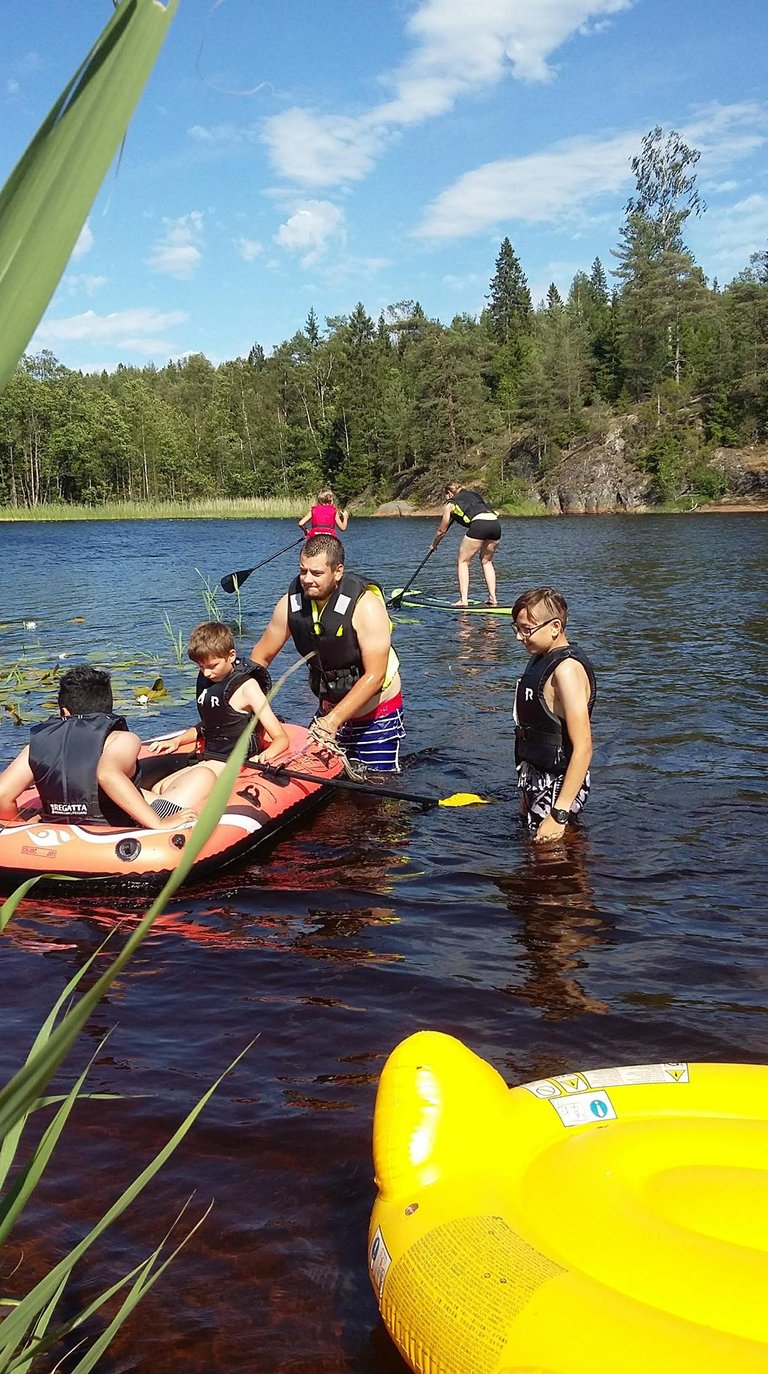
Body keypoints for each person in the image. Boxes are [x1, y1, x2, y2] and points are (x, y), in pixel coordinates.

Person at [250, 534, 405, 773]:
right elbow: (260, 659)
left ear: (338, 571)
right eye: (303, 571)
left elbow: (375, 675)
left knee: (376, 784)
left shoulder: (366, 606)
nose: (307, 579)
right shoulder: (290, 604)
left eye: (317, 573)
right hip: (329, 710)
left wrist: (331, 722)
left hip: (376, 716)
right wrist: (241, 702)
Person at [0, 664, 204, 829]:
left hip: (56, 828)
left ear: (64, 712)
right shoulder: (121, 739)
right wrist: (158, 823)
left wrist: (22, 826)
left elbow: (2, 795)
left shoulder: (35, 746)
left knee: (145, 793)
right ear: (108, 707)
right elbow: (107, 774)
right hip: (116, 832)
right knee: (203, 775)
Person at [145, 621, 290, 784]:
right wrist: (177, 741)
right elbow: (210, 725)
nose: (206, 673)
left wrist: (265, 756)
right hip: (211, 757)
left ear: (231, 656)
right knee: (159, 787)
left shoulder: (248, 688)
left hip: (235, 762)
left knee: (166, 789)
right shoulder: (209, 680)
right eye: (201, 667)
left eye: (213, 666)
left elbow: (281, 738)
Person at [512, 587, 596, 844]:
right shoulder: (541, 658)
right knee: (533, 851)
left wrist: (559, 814)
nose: (519, 637)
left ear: (555, 627)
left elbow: (583, 747)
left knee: (551, 854)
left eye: (527, 629)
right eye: (516, 628)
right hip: (536, 776)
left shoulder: (566, 671)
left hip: (559, 782)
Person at [429, 481, 502, 607]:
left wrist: (434, 545)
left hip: (480, 525)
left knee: (463, 562)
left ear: (449, 493)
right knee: (487, 561)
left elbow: (441, 531)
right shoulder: (474, 495)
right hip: (495, 524)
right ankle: (493, 598)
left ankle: (463, 600)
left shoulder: (450, 504)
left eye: (446, 495)